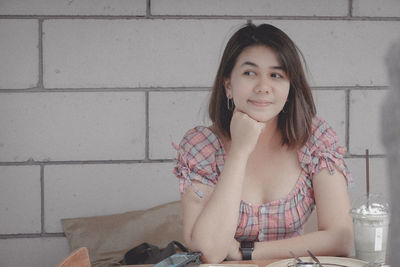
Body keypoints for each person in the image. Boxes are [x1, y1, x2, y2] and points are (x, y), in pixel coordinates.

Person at [173, 23, 354, 263]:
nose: (263, 87)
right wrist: (239, 151)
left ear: (289, 89)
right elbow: (208, 252)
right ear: (228, 84)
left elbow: (341, 239)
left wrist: (246, 251)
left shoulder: (314, 138)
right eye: (249, 73)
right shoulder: (201, 145)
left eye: (276, 75)